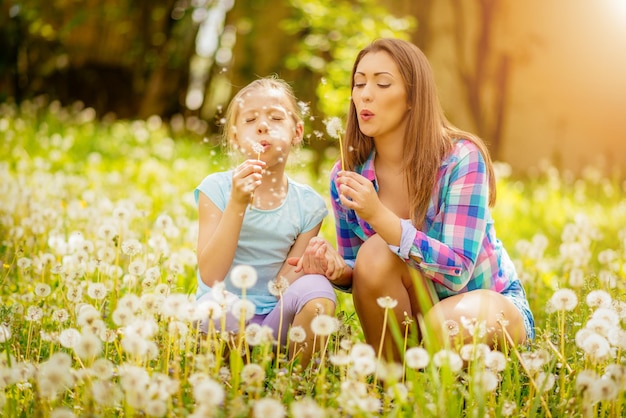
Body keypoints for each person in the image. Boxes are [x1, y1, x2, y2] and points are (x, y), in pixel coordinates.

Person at [290, 38, 534, 360]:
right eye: (359, 82)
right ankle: (395, 383)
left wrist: (378, 214)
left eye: (382, 83)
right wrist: (337, 270)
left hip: (483, 302)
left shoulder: (460, 159)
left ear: (412, 98)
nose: (365, 93)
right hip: (418, 309)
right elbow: (361, 269)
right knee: (374, 253)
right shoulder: (348, 176)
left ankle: (438, 382)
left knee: (443, 327)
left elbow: (458, 269)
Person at [195, 76, 336, 367]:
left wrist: (310, 265)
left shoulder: (308, 206)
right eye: (250, 119)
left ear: (297, 132)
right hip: (223, 317)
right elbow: (211, 275)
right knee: (219, 307)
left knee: (318, 289)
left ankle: (296, 379)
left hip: (275, 321)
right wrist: (237, 203)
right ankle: (231, 373)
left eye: (275, 117)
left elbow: (285, 282)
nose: (262, 125)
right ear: (234, 136)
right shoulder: (216, 189)